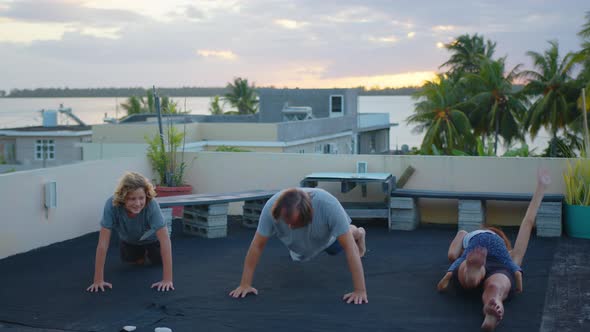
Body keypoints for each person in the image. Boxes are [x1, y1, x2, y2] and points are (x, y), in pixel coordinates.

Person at [437, 169, 551, 331]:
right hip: (499, 269)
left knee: (472, 272)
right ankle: (493, 303)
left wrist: (461, 241)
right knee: (496, 287)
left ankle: (473, 273)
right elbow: (528, 222)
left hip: (471, 263)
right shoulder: (511, 257)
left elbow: (452, 254)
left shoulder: (474, 243)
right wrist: (541, 188)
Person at [229, 188, 368, 304]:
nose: (289, 226)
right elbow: (257, 246)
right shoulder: (270, 209)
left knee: (341, 242)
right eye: (286, 221)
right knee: (300, 255)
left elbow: (350, 249)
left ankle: (359, 232)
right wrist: (245, 284)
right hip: (299, 245)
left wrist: (360, 290)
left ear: (309, 214)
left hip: (326, 237)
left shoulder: (329, 206)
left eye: (294, 223)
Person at [86, 172, 174, 293]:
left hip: (152, 239)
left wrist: (167, 280)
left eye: (141, 198)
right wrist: (98, 280)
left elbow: (165, 241)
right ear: (123, 198)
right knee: (134, 262)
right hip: (129, 240)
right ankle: (140, 254)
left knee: (157, 262)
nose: (137, 203)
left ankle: (149, 252)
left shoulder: (151, 205)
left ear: (146, 196)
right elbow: (102, 244)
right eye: (132, 199)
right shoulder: (111, 205)